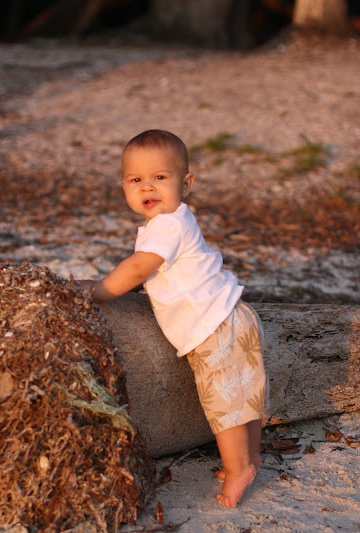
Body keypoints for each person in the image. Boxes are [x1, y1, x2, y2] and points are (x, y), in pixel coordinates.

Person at [78, 129, 267, 508]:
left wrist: (99, 288)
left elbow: (138, 268)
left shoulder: (166, 225)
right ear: (124, 187)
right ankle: (252, 456)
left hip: (213, 327)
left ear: (186, 183)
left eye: (160, 177)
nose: (147, 186)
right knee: (244, 396)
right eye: (135, 180)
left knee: (225, 405)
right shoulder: (175, 220)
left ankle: (239, 469)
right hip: (232, 315)